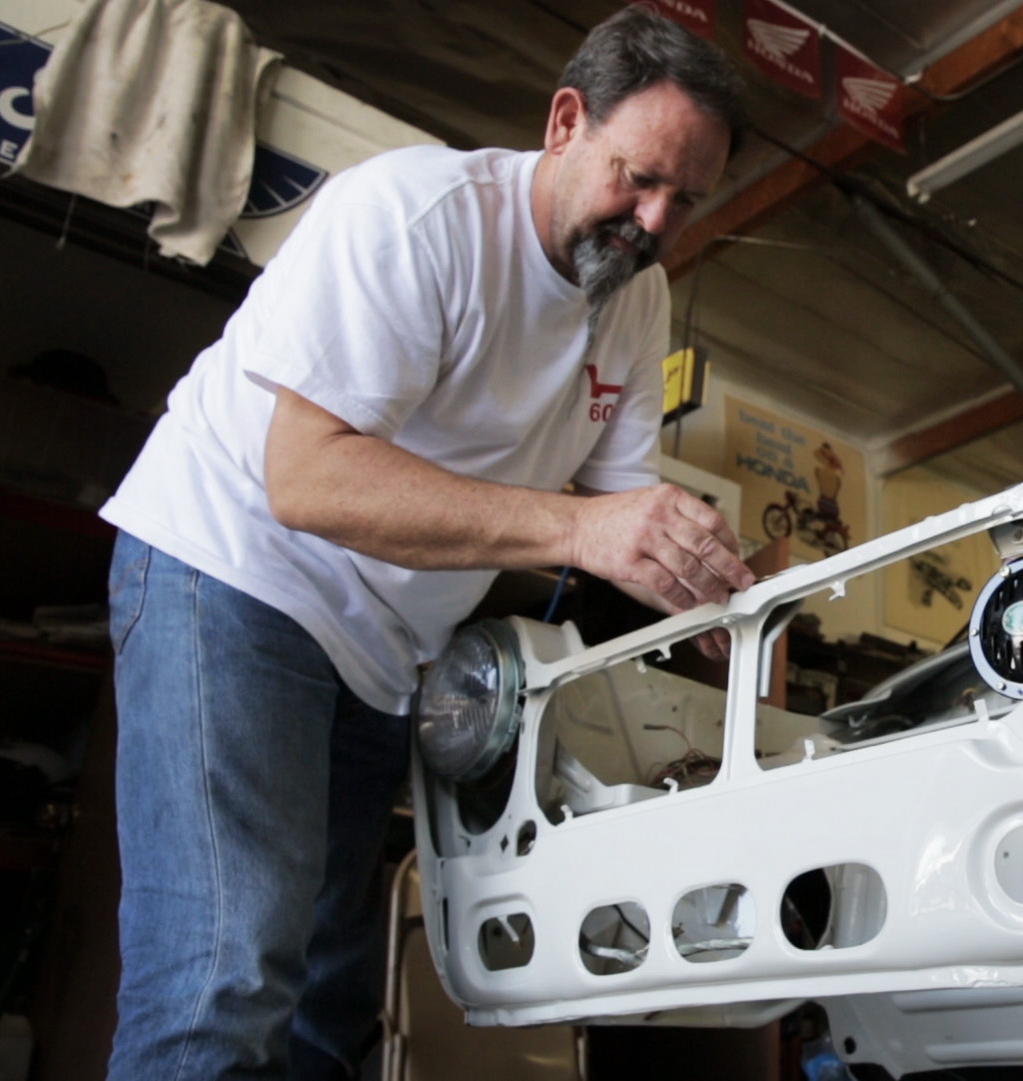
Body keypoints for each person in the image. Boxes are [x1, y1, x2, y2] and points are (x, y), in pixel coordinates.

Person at [96, 10, 753, 1079]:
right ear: (564, 120)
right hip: (235, 571)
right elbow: (305, 477)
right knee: (226, 976)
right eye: (639, 178)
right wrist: (582, 527)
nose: (652, 219)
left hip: (380, 649)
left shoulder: (637, 298)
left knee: (329, 991)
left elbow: (626, 504)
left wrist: (717, 595)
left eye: (686, 200)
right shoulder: (416, 215)